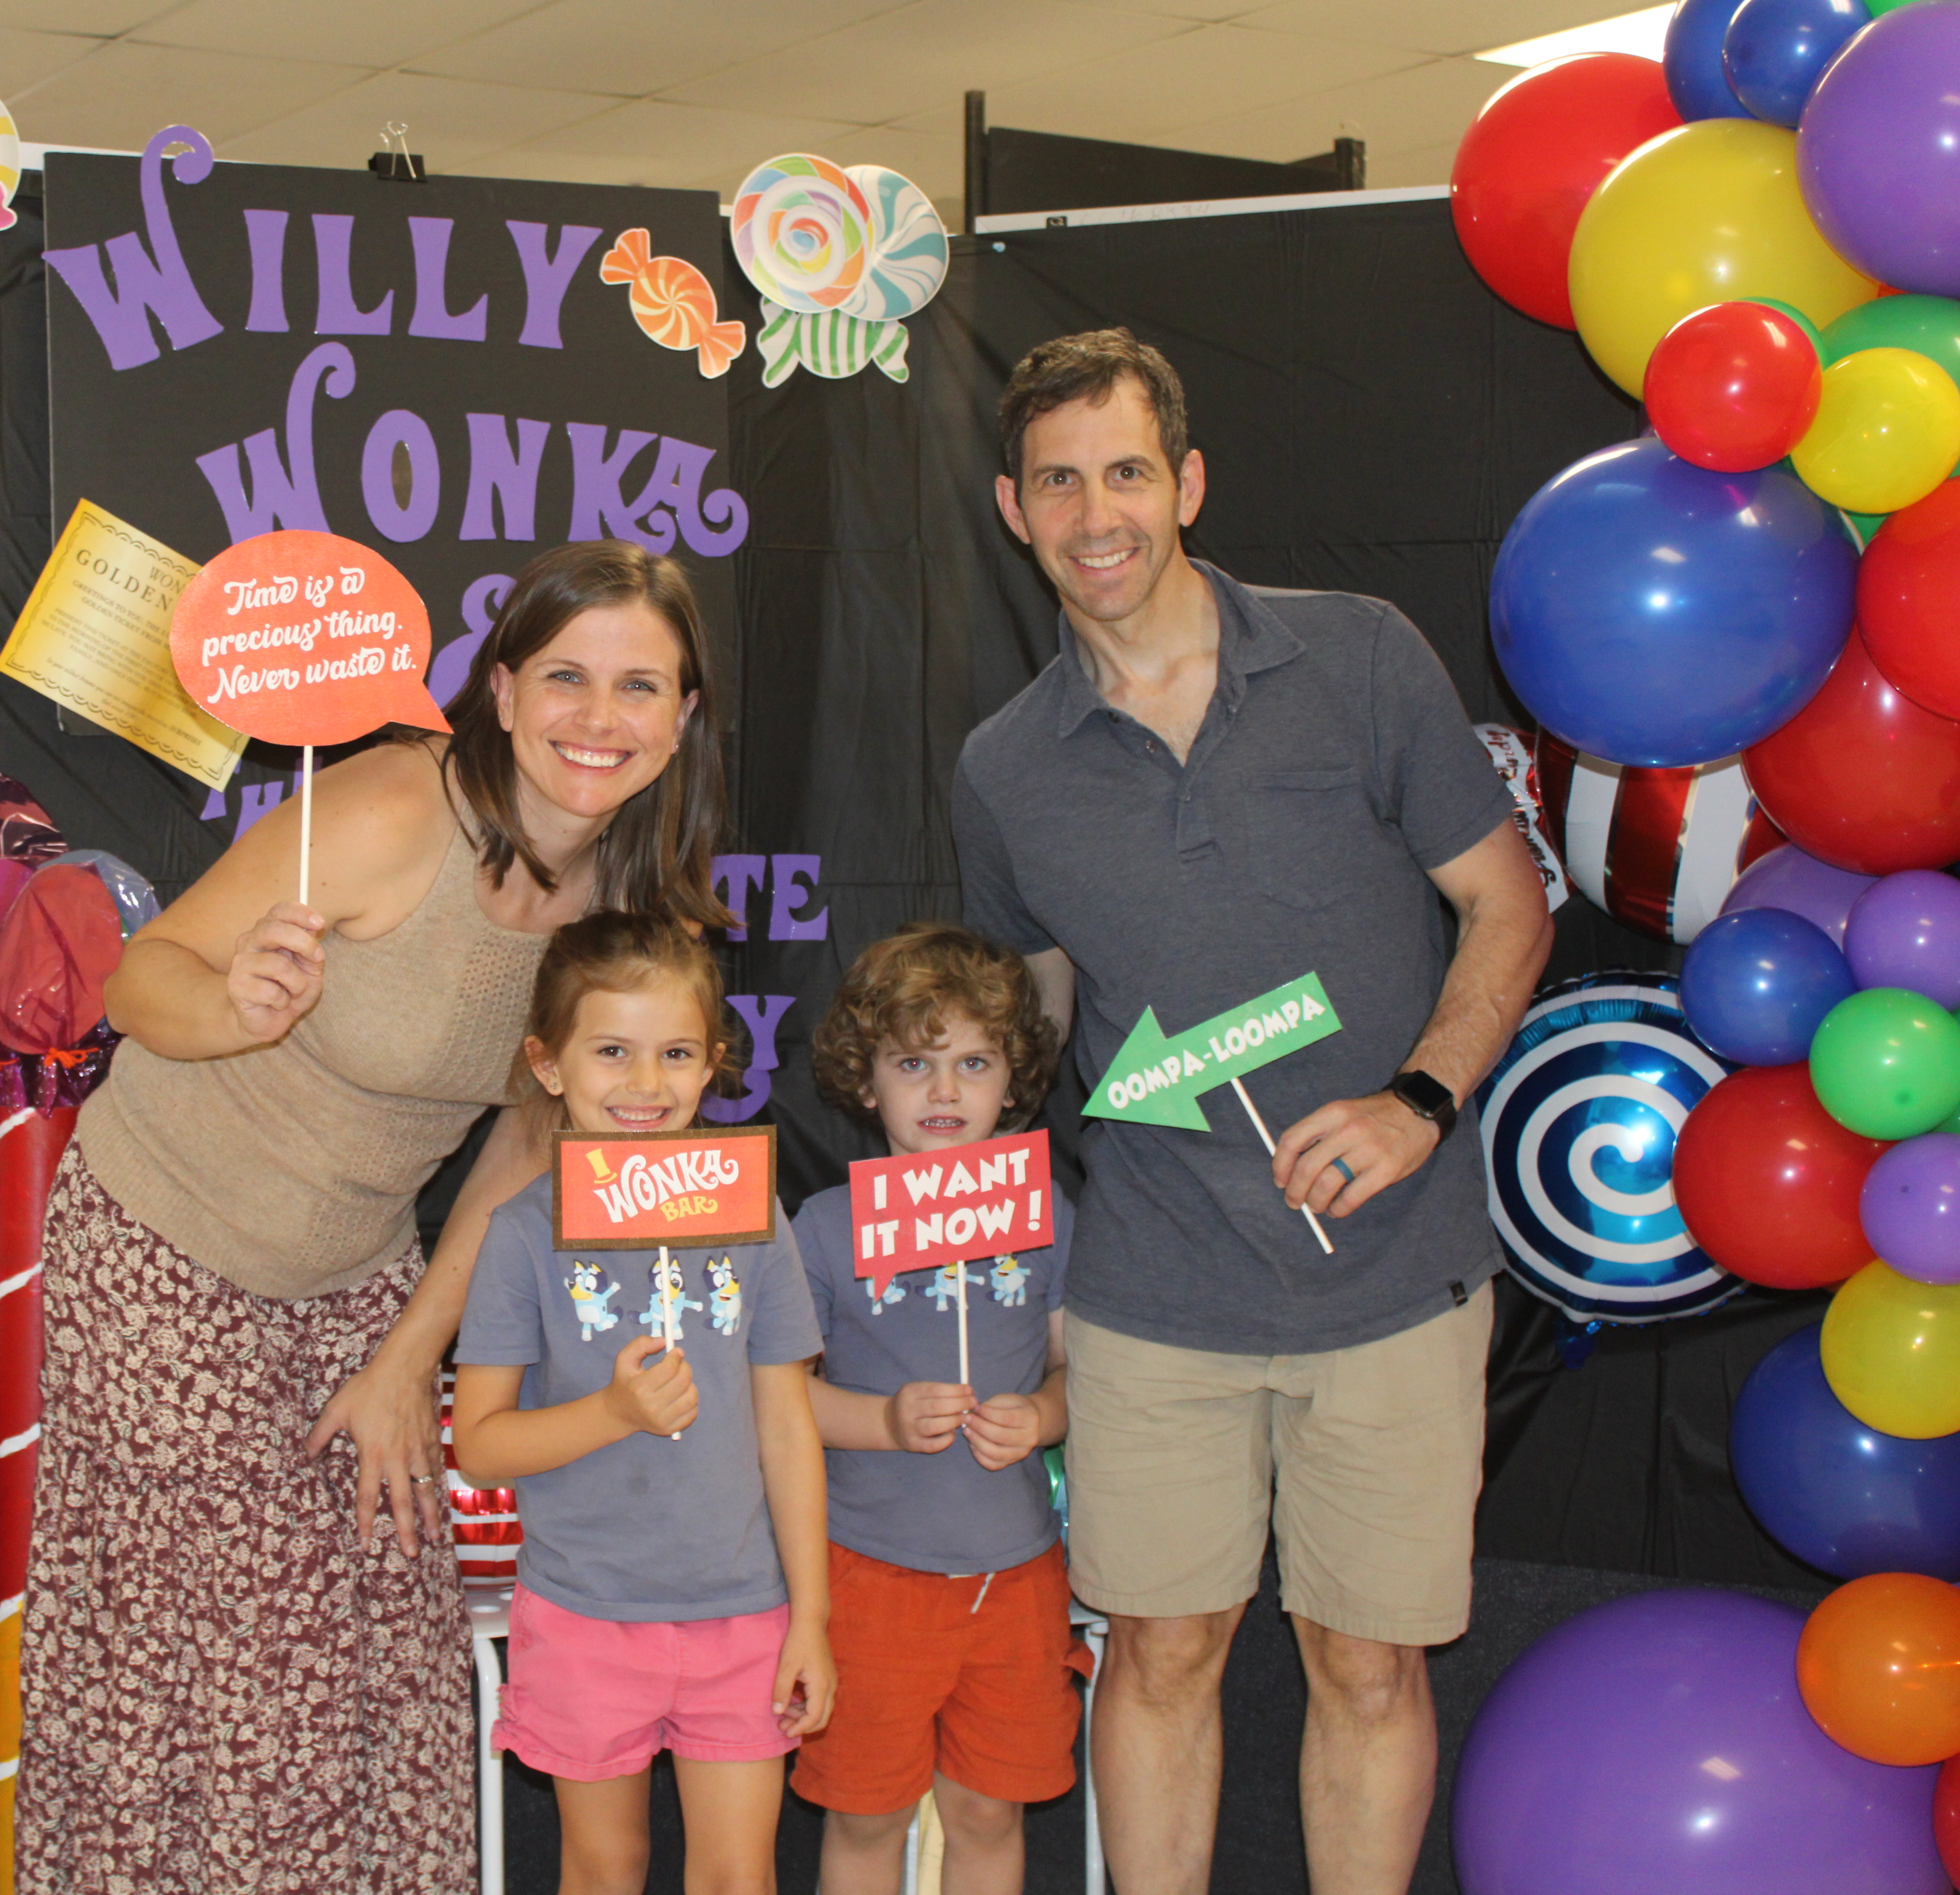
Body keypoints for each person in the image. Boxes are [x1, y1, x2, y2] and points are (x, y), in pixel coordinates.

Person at [18, 541, 734, 1895]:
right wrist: (234, 1008)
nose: (600, 718)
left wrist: (415, 1360)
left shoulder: (633, 903)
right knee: (235, 1668)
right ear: (505, 690)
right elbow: (136, 981)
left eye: (641, 687)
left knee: (388, 1642)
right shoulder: (390, 809)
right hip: (166, 1251)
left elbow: (532, 1135)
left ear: (683, 715)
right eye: (567, 677)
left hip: (359, 1270)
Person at [951, 329, 1552, 1895]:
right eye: (1059, 480)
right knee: (1159, 1652)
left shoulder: (1357, 659)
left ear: (1190, 484)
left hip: (1396, 1279)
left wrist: (1422, 1099)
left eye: (1128, 472)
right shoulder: (1003, 771)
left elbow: (1506, 912)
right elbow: (1042, 1026)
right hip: (1156, 1297)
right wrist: (968, 1176)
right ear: (1012, 508)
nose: (1098, 515)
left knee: (1367, 1667)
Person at [451, 911, 832, 1895]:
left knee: (741, 1872)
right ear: (549, 1064)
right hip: (583, 1615)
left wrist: (812, 1616)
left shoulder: (755, 1216)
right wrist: (614, 1412)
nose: (645, 1084)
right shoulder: (520, 1235)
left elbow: (789, 1427)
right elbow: (484, 1446)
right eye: (611, 1051)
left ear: (714, 1065)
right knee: (606, 1861)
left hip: (745, 1613)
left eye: (674, 1054)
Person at [787, 922, 1084, 1895]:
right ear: (868, 1082)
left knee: (990, 1811)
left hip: (1018, 1579)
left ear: (1014, 1079)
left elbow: (1081, 1374)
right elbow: (778, 1401)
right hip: (870, 1578)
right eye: (915, 1062)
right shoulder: (826, 1226)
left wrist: (1043, 1417)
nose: (946, 1091)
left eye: (973, 1062)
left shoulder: (1045, 1211)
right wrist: (878, 1419)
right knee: (866, 1817)